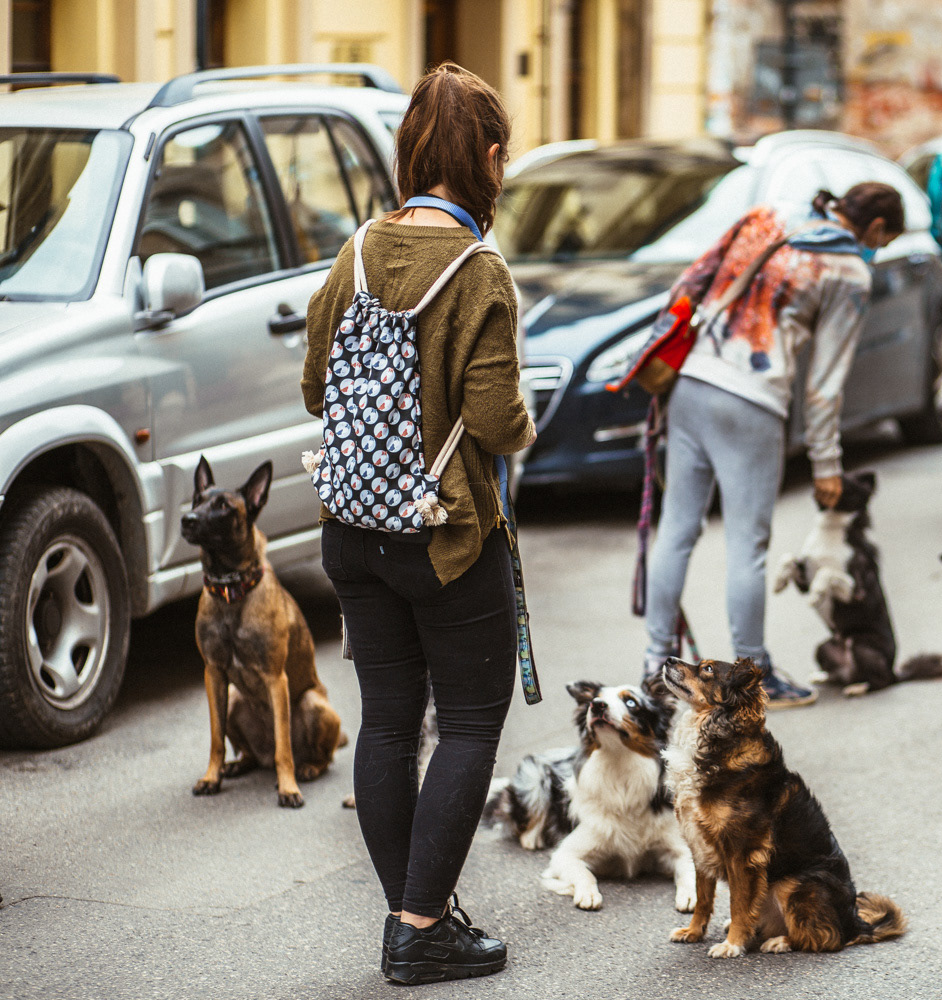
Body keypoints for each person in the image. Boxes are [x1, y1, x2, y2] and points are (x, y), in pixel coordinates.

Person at [301, 62, 535, 985]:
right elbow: (495, 422)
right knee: (470, 723)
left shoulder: (357, 251)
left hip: (350, 527)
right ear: (488, 158)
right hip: (445, 535)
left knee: (390, 724)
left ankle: (413, 915)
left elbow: (316, 388)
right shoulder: (479, 272)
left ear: (408, 151)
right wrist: (524, 420)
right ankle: (421, 923)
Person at [641, 184, 903, 707]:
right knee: (748, 544)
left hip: (692, 381)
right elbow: (825, 384)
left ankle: (655, 665)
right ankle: (751, 672)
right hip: (753, 401)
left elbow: (690, 282)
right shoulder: (849, 272)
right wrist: (827, 464)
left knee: (676, 529)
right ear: (875, 228)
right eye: (884, 241)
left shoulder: (769, 215)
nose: (878, 250)